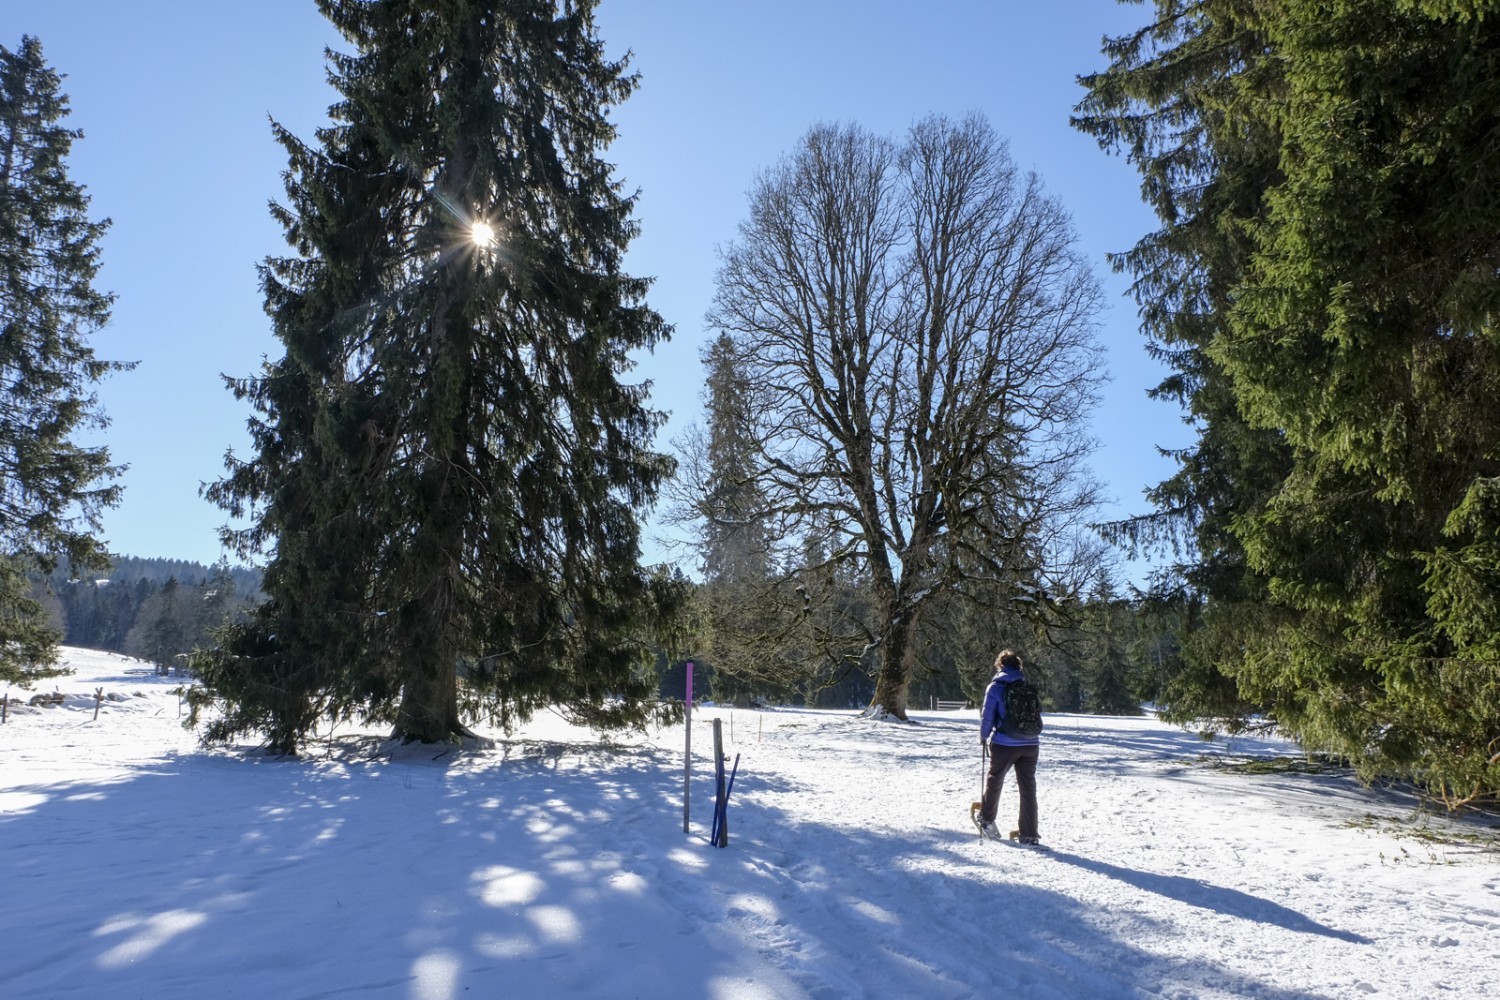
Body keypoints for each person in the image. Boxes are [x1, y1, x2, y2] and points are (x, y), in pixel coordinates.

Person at [978, 648, 1040, 843]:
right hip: (1031, 743)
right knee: (1028, 787)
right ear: (1018, 666)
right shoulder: (1026, 686)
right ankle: (1029, 833)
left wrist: (983, 736)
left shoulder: (995, 687)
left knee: (995, 780)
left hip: (1005, 743)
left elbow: (988, 715)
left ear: (1000, 665)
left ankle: (987, 819)